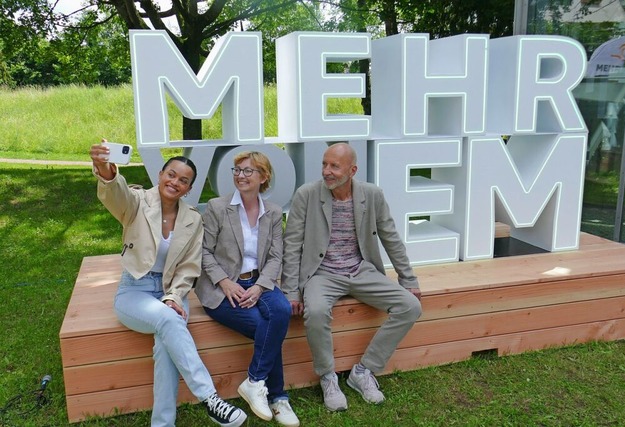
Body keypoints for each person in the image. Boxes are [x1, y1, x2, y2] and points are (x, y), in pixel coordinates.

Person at [89, 141, 247, 427]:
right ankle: (210, 399)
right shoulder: (137, 201)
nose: (175, 182)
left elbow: (189, 266)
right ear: (160, 174)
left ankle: (162, 424)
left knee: (165, 342)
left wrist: (174, 296)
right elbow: (116, 195)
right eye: (171, 175)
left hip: (171, 291)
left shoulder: (192, 219)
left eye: (183, 180)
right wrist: (105, 171)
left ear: (189, 189)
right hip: (133, 291)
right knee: (168, 321)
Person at [281, 142, 423, 412]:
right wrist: (290, 291)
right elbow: (292, 244)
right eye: (324, 164)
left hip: (361, 270)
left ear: (352, 169)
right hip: (321, 273)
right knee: (318, 311)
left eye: (334, 166)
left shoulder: (372, 195)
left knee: (410, 306)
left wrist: (408, 279)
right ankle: (327, 377)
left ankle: (363, 371)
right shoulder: (307, 194)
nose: (327, 171)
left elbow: (390, 237)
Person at [196, 151, 299, 427]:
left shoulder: (274, 212)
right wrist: (224, 281)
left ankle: (254, 382)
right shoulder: (217, 207)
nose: (240, 176)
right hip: (222, 287)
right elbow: (203, 252)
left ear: (263, 177)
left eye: (248, 171)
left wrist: (260, 286)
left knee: (280, 311)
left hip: (259, 281)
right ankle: (278, 397)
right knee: (263, 328)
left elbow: (277, 256)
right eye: (237, 170)